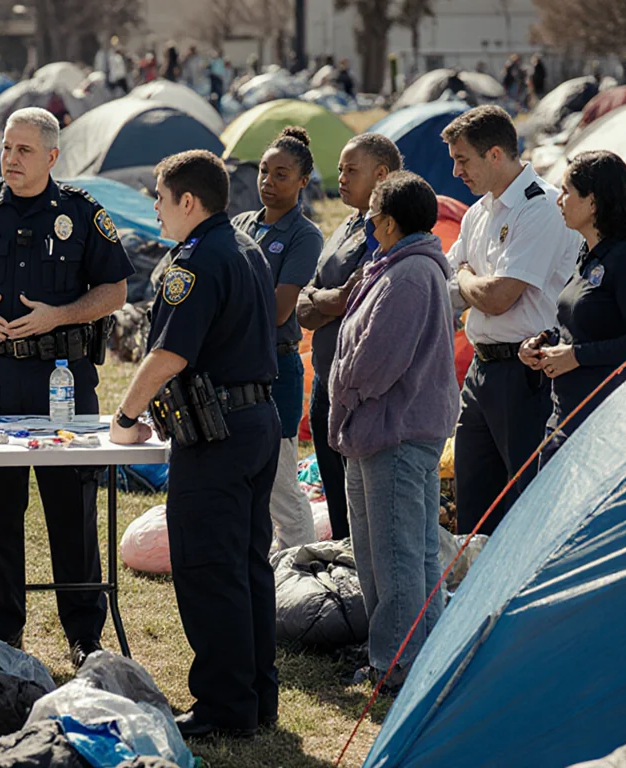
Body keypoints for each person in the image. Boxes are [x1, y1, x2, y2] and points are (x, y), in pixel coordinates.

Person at [0, 107, 133, 666]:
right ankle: (2, 631)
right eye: (7, 148)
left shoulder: (81, 213)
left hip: (62, 382)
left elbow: (115, 290)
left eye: (24, 151)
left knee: (72, 510)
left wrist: (59, 316)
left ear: (52, 157)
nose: (10, 159)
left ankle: (84, 636)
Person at [110, 149, 279, 738]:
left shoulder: (197, 260)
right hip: (254, 420)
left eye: (159, 198)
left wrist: (127, 413)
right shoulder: (246, 245)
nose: (153, 210)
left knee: (210, 570)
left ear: (188, 201)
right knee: (248, 566)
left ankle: (225, 708)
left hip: (218, 435)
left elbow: (169, 352)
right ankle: (258, 697)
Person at [329, 171, 460, 691]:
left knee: (397, 555)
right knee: (407, 551)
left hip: (395, 433)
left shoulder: (409, 275)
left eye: (372, 216)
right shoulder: (399, 267)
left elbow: (378, 360)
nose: (367, 224)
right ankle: (418, 654)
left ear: (387, 220)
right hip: (384, 431)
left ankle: (397, 664)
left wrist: (347, 391)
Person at [442, 105, 581, 535]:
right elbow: (448, 284)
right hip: (482, 373)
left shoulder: (538, 207)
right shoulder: (478, 213)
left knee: (526, 506)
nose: (455, 172)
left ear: (496, 154)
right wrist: (468, 283)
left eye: (462, 159)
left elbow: (500, 297)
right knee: (475, 507)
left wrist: (466, 279)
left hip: (526, 377)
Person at [519, 151, 626, 463]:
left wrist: (576, 356)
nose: (559, 199)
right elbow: (583, 325)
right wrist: (544, 342)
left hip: (604, 423)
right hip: (565, 415)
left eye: (567, 191)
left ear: (593, 202)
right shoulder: (588, 254)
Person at [298, 133, 402, 539]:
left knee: (364, 511)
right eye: (340, 169)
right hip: (326, 379)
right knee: (338, 504)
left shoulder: (387, 231)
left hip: (358, 389)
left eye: (350, 170)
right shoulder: (346, 224)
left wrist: (326, 300)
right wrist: (330, 300)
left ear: (381, 175)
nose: (340, 178)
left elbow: (359, 298)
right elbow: (307, 304)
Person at [232, 127, 322, 551]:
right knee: (246, 480)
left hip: (276, 368)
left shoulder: (305, 235)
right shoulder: (241, 224)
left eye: (282, 174)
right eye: (264, 172)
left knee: (283, 487)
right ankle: (262, 568)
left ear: (304, 181)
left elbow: (280, 309)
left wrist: (223, 314)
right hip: (235, 368)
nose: (268, 181)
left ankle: (298, 571)